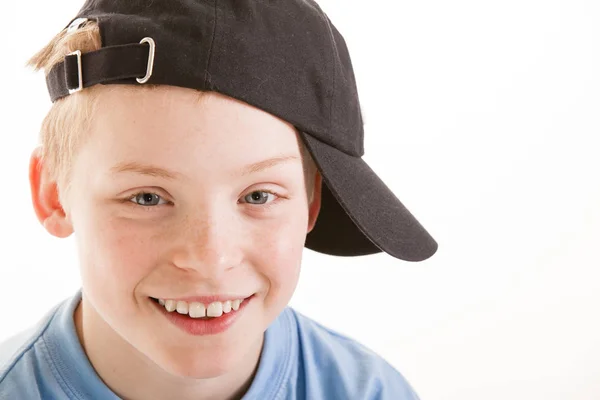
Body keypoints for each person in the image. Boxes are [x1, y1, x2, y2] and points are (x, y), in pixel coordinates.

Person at [0, 1, 438, 399]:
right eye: (148, 197)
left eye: (259, 195)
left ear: (311, 202)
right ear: (55, 194)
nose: (210, 259)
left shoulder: (370, 392)